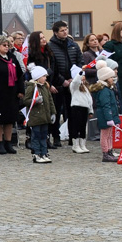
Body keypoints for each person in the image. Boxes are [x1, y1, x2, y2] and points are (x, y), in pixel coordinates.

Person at [47, 20, 84, 148]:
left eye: (66, 29)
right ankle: (56, 136)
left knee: (72, 110)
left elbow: (80, 60)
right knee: (56, 111)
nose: (65, 32)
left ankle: (72, 136)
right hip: (58, 83)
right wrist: (62, 81)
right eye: (62, 30)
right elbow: (52, 67)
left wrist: (75, 77)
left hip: (73, 82)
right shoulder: (50, 46)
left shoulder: (73, 44)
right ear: (56, 33)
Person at [22, 66, 55, 164]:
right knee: (36, 136)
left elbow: (50, 100)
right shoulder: (31, 87)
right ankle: (36, 153)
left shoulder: (45, 86)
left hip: (45, 117)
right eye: (44, 76)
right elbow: (25, 100)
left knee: (44, 136)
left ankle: (44, 153)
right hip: (35, 117)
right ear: (38, 77)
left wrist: (53, 112)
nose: (45, 78)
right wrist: (35, 101)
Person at [103, 22, 122, 113]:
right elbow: (106, 60)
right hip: (117, 75)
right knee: (119, 100)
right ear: (118, 31)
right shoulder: (110, 45)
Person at [91, 66, 120, 162]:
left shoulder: (108, 89)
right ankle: (105, 153)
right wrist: (109, 118)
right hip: (105, 116)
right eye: (111, 77)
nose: (113, 79)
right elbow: (105, 105)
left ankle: (109, 150)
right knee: (105, 135)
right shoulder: (104, 91)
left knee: (109, 135)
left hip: (109, 115)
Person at [69, 69, 93, 154]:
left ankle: (82, 144)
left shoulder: (85, 87)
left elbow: (89, 99)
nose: (83, 77)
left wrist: (90, 110)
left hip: (84, 108)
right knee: (76, 126)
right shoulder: (74, 86)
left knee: (83, 127)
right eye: (82, 75)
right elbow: (76, 81)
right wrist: (79, 73)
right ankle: (75, 145)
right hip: (77, 107)